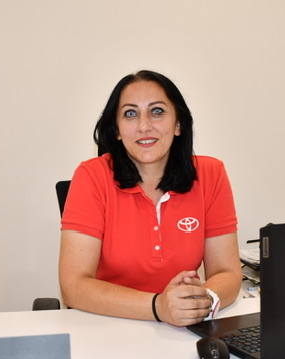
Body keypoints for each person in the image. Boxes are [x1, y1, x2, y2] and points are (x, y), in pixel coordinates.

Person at [59, 70, 241, 327]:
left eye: (157, 111)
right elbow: (73, 285)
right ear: (117, 130)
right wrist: (159, 307)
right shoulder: (91, 176)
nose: (144, 126)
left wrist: (203, 301)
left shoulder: (211, 174)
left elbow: (227, 272)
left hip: (182, 329)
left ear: (178, 124)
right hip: (107, 325)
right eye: (130, 114)